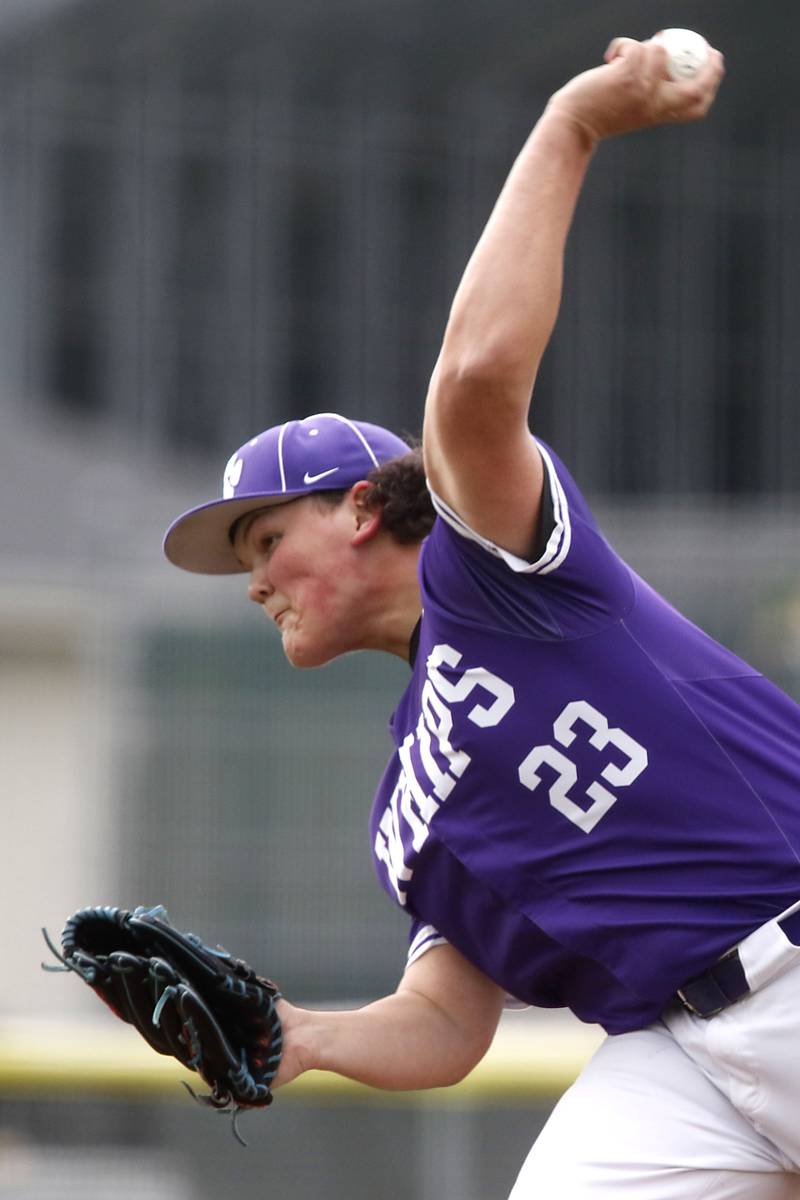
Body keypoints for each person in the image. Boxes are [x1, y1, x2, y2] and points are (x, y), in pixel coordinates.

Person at [163, 36, 800, 1200]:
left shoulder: (497, 565)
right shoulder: (405, 809)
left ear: (362, 507)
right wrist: (301, 1037)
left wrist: (570, 122)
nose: (253, 579)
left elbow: (471, 382)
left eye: (264, 540)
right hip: (675, 1060)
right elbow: (446, 1024)